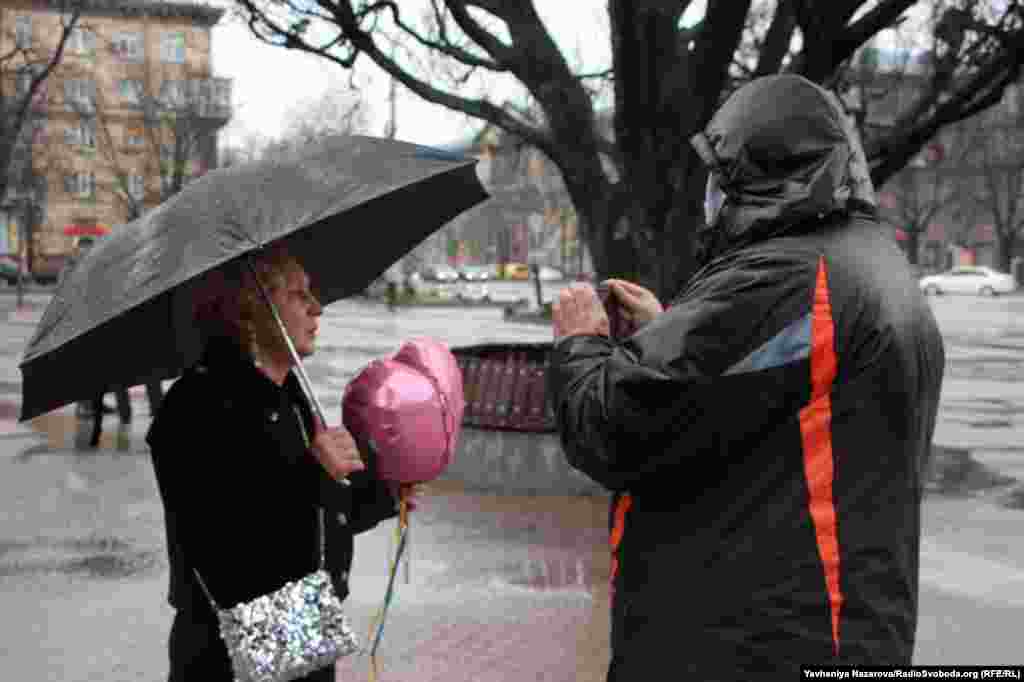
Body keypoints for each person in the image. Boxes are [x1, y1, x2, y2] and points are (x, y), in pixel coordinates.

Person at [547, 74, 945, 680]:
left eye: (721, 177)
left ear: (759, 179)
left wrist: (580, 342)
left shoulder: (786, 278)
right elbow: (754, 397)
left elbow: (611, 426)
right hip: (840, 631)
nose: (710, 197)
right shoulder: (872, 265)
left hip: (746, 643)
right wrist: (670, 330)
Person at [146, 243, 402, 681]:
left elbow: (319, 515)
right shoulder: (198, 405)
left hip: (300, 624)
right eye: (299, 295)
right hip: (230, 648)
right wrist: (314, 472)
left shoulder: (290, 395)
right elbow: (224, 543)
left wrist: (388, 491)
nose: (317, 308)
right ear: (252, 309)